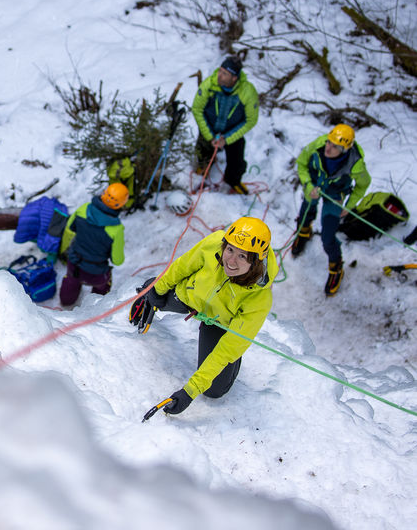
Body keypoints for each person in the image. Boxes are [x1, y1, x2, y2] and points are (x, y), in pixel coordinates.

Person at [129, 217, 277, 415]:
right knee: (159, 296)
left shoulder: (259, 299)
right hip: (191, 296)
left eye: (243, 257)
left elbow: (228, 347)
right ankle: (151, 289)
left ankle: (232, 362)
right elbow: (183, 266)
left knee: (214, 390)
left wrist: (189, 392)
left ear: (256, 261)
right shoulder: (214, 243)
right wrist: (157, 289)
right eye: (230, 250)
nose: (231, 261)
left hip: (219, 323)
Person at [291, 124, 371, 295]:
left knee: (328, 236)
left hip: (335, 194)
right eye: (329, 142)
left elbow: (363, 184)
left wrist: (349, 206)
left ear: (345, 150)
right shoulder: (317, 145)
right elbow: (301, 164)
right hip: (314, 185)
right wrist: (308, 185)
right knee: (306, 210)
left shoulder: (355, 164)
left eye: (335, 146)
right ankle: (304, 232)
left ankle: (336, 266)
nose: (329, 148)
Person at [192, 56, 259, 194]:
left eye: (224, 73)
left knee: (237, 160)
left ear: (234, 78)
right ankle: (205, 164)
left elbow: (251, 120)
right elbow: (197, 109)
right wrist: (210, 136)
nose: (219, 75)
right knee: (203, 149)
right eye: (220, 71)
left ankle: (233, 181)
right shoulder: (209, 85)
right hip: (209, 128)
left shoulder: (247, 92)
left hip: (232, 131)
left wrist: (227, 139)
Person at [57, 183, 127, 307]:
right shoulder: (116, 229)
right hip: (97, 272)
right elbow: (117, 260)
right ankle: (97, 306)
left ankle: (66, 302)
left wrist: (64, 250)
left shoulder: (83, 209)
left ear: (104, 193)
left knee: (71, 280)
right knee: (103, 285)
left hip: (75, 264)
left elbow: (69, 229)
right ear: (121, 204)